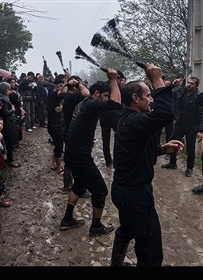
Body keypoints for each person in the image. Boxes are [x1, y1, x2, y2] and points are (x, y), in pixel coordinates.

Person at [110, 63, 184, 266]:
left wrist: (161, 148)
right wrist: (157, 79)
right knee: (151, 254)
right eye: (148, 96)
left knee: (126, 230)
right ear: (135, 98)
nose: (151, 99)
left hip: (124, 191)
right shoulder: (132, 121)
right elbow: (164, 114)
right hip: (134, 196)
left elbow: (135, 152)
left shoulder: (132, 120)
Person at [60, 69, 121, 237]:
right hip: (80, 155)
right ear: (97, 94)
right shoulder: (92, 103)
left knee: (79, 185)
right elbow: (115, 104)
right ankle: (96, 227)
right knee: (101, 190)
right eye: (105, 95)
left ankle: (67, 219)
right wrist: (113, 80)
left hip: (73, 152)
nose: (107, 99)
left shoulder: (85, 100)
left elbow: (86, 91)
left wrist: (78, 83)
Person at [161, 76, 200, 177]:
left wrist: (201, 129)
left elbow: (201, 113)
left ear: (196, 86)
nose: (189, 85)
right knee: (173, 142)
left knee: (190, 148)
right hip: (180, 123)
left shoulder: (199, 96)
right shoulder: (181, 92)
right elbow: (170, 93)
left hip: (192, 126)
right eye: (188, 83)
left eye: (192, 83)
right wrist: (174, 84)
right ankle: (172, 162)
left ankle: (189, 168)